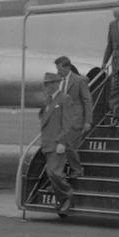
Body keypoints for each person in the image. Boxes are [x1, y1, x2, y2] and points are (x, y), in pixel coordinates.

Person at [39, 72, 75, 214]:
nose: (46, 87)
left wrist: (62, 142)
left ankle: (68, 196)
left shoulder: (65, 99)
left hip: (57, 143)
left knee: (54, 172)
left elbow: (67, 123)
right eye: (45, 84)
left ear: (56, 84)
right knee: (51, 173)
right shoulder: (48, 101)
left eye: (48, 84)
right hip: (48, 143)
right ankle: (62, 201)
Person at [55, 56, 93, 179]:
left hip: (75, 120)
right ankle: (59, 176)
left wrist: (88, 121)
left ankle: (76, 170)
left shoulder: (79, 80)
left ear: (67, 67)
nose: (58, 71)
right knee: (61, 147)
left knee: (67, 145)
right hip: (62, 120)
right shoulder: (58, 81)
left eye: (59, 69)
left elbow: (87, 100)